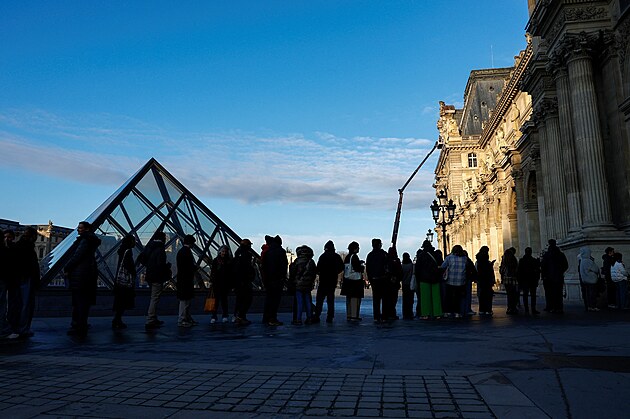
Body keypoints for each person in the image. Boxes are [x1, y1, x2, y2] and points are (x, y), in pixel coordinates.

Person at [64, 221, 101, 337]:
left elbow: (77, 256)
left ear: (87, 229)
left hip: (80, 274)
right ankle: (81, 324)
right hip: (88, 274)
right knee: (83, 302)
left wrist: (67, 267)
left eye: (80, 228)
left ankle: (79, 325)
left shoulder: (85, 240)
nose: (78, 230)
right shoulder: (91, 240)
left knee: (79, 302)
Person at [8, 228, 40, 339]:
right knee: (26, 305)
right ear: (33, 237)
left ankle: (14, 327)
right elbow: (33, 266)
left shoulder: (17, 246)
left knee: (15, 304)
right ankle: (23, 329)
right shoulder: (29, 248)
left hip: (15, 279)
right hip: (26, 278)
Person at [139, 231, 171, 329]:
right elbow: (160, 264)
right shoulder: (160, 249)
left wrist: (149, 266)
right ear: (163, 239)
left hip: (149, 275)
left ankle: (153, 318)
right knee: (155, 298)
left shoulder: (149, 247)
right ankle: (150, 319)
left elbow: (142, 259)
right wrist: (167, 267)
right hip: (157, 276)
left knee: (153, 297)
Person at [314, 240, 344, 324]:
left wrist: (321, 273)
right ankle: (330, 316)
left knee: (319, 300)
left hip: (323, 280)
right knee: (330, 300)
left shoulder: (323, 256)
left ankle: (317, 315)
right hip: (332, 280)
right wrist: (335, 272)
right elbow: (341, 267)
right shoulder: (336, 256)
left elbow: (318, 268)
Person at [262, 235, 288, 326]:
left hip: (268, 279)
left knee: (269, 299)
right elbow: (283, 266)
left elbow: (263, 267)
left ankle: (266, 318)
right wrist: (282, 277)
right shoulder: (281, 251)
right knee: (275, 300)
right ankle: (272, 318)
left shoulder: (267, 251)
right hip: (277, 280)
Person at [112, 234, 136, 329]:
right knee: (122, 301)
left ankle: (117, 319)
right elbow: (128, 265)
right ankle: (117, 320)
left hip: (119, 281)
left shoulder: (122, 250)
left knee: (119, 301)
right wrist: (133, 272)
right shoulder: (128, 251)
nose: (135, 243)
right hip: (125, 282)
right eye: (134, 241)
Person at [289, 245, 317, 325]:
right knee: (308, 301)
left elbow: (293, 272)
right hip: (308, 284)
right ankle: (309, 318)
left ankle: (298, 319)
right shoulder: (311, 262)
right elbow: (314, 273)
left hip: (298, 284)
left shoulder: (297, 261)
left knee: (299, 302)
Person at [415, 240, 442, 319]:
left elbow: (417, 268)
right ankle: (437, 313)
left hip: (424, 278)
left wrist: (418, 278)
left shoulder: (421, 255)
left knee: (425, 297)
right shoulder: (436, 254)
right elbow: (440, 265)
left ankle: (426, 313)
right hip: (435, 277)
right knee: (436, 297)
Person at [540, 239, 568, 314]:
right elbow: (565, 265)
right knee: (559, 293)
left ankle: (551, 307)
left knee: (550, 293)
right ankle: (559, 307)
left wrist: (544, 275)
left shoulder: (547, 255)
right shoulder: (560, 254)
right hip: (558, 277)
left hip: (548, 278)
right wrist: (560, 271)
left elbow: (543, 266)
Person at [232, 239, 256, 325]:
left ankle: (238, 316)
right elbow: (246, 269)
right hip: (244, 281)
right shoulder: (246, 255)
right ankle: (241, 317)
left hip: (238, 282)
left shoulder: (237, 254)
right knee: (247, 300)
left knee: (240, 300)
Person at [440, 245, 468, 318]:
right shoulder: (465, 258)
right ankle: (457, 312)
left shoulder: (449, 258)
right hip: (461, 281)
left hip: (450, 280)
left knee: (449, 297)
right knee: (458, 298)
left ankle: (448, 311)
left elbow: (443, 266)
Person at [366, 239, 389, 323]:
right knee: (385, 299)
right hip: (383, 279)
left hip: (374, 279)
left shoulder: (370, 255)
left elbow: (368, 268)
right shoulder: (384, 254)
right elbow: (387, 266)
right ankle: (384, 316)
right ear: (379, 245)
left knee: (376, 299)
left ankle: (376, 316)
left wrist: (370, 278)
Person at [340, 241, 364, 321]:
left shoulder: (347, 257)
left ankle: (349, 315)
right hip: (355, 281)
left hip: (347, 280)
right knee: (355, 298)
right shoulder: (354, 257)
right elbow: (357, 268)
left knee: (349, 298)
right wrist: (362, 267)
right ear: (355, 249)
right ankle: (354, 315)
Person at [176, 235, 197, 327]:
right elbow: (188, 266)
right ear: (191, 243)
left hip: (182, 278)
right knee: (185, 300)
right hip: (186, 279)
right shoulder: (187, 252)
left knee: (185, 300)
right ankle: (182, 319)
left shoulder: (181, 251)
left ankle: (186, 318)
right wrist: (194, 268)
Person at [210, 245, 233, 323]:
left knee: (223, 301)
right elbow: (213, 272)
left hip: (224, 283)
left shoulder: (227, 261)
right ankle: (217, 316)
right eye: (223, 251)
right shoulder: (224, 261)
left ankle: (220, 316)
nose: (224, 253)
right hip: (218, 283)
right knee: (218, 301)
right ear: (219, 252)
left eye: (225, 252)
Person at [517, 247, 540, 315]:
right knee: (533, 295)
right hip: (532, 280)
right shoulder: (534, 260)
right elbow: (537, 270)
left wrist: (519, 281)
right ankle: (533, 308)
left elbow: (519, 272)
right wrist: (537, 279)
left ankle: (527, 309)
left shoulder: (522, 261)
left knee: (525, 295)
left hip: (525, 280)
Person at [578, 247, 600, 312]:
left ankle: (589, 306)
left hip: (585, 279)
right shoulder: (588, 261)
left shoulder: (582, 261)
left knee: (588, 293)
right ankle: (593, 306)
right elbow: (596, 269)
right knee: (592, 293)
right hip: (591, 279)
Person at [475, 246, 495, 316]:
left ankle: (482, 309)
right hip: (487, 280)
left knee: (481, 295)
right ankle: (488, 309)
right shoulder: (487, 262)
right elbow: (489, 272)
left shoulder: (478, 261)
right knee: (488, 295)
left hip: (481, 280)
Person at [500, 247, 519, 315]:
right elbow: (516, 269)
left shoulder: (504, 261)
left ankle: (509, 308)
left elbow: (501, 270)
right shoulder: (513, 260)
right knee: (514, 294)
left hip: (506, 279)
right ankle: (513, 307)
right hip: (513, 279)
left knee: (509, 294)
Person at [386, 247, 403, 320]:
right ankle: (392, 313)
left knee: (388, 298)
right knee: (393, 299)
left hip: (387, 282)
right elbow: (400, 271)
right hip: (395, 282)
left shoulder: (386, 260)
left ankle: (387, 313)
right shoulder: (397, 261)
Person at [400, 252, 415, 320]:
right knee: (410, 299)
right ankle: (410, 313)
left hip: (404, 283)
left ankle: (405, 313)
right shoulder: (412, 265)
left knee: (405, 299)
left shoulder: (402, 266)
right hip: (410, 283)